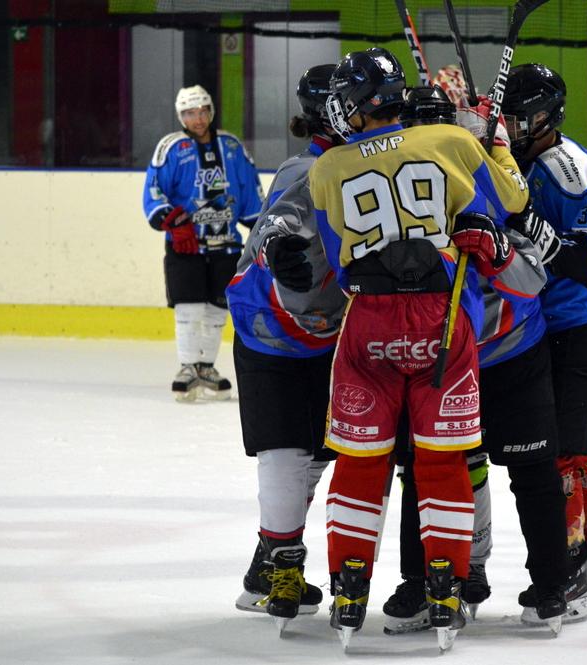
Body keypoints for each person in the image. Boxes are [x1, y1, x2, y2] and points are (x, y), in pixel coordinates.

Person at [305, 48, 528, 650]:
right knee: (441, 460)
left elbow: (337, 262)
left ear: (356, 102)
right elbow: (508, 203)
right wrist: (494, 141)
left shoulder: (326, 169)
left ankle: (349, 588)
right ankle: (447, 585)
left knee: (360, 461)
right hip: (443, 319)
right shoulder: (450, 143)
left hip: (369, 323)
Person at [382, 85, 569, 636]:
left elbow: (533, 279)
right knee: (427, 471)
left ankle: (552, 583)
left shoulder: (493, 183)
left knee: (533, 469)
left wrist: (501, 248)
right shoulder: (391, 195)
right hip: (435, 359)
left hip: (511, 355)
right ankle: (428, 582)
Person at [501, 63, 587, 620]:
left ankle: (576, 571)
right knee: (568, 453)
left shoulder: (568, 169)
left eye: (522, 114)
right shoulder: (520, 159)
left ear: (550, 114)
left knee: (563, 456)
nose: (514, 123)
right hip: (553, 331)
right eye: (508, 114)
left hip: (584, 331)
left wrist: (534, 227)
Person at [224, 64, 345, 630]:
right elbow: (279, 224)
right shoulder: (313, 165)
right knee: (290, 449)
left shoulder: (355, 159)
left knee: (315, 450)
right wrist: (281, 252)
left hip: (313, 323)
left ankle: (267, 564)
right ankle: (279, 566)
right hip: (274, 323)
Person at [142, 85, 264, 401]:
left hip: (226, 245)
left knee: (217, 308)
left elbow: (251, 195)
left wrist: (263, 230)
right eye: (189, 113)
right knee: (188, 307)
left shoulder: (233, 147)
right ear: (180, 116)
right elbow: (154, 192)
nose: (197, 118)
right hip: (187, 247)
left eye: (202, 111)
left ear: (210, 111)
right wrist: (171, 221)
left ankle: (206, 366)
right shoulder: (171, 148)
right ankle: (187, 367)